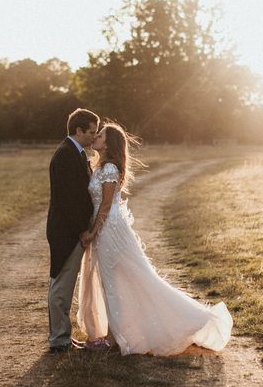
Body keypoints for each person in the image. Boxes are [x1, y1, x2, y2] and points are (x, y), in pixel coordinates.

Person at [77, 122, 232, 355]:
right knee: (116, 280)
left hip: (111, 228)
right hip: (105, 228)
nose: (95, 137)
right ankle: (115, 334)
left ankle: (114, 337)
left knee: (119, 280)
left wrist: (92, 232)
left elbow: (107, 205)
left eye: (100, 135)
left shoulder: (109, 169)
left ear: (109, 143)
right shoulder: (98, 167)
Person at [46, 108, 100, 352]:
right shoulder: (66, 155)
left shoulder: (76, 153)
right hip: (67, 232)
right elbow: (69, 200)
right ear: (78, 131)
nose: (94, 136)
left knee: (65, 285)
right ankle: (59, 339)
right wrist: (82, 230)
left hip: (72, 230)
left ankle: (63, 335)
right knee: (61, 285)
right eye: (91, 132)